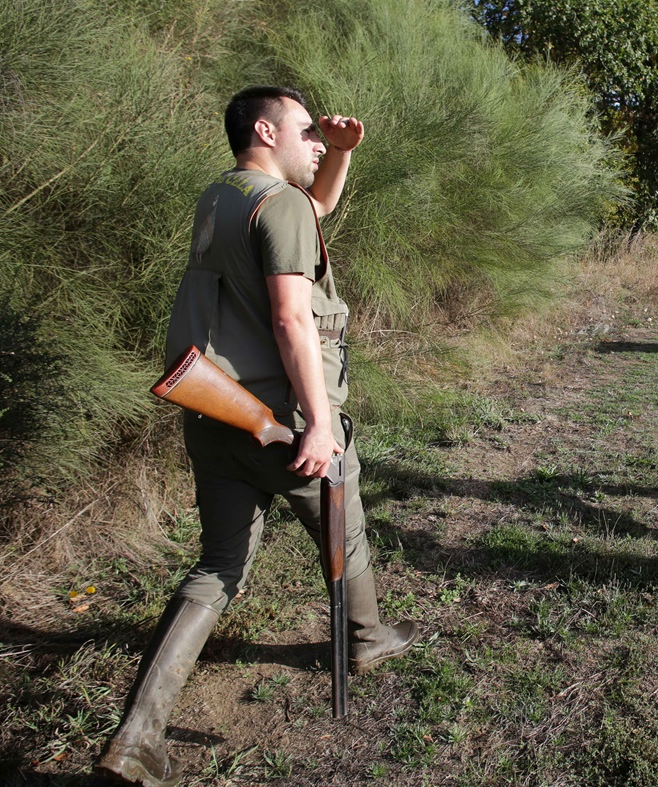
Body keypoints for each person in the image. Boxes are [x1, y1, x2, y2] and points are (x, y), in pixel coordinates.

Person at [95, 86, 418, 787]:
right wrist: (323, 424)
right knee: (345, 530)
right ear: (266, 130)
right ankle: (365, 638)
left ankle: (137, 736)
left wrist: (339, 155)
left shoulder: (223, 197)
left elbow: (314, 208)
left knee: (218, 567)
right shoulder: (284, 207)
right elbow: (292, 320)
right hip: (288, 422)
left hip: (217, 418)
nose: (316, 141)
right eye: (307, 131)